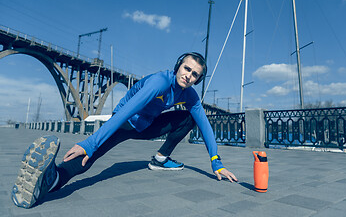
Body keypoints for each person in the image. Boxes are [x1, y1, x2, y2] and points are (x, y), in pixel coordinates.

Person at [11, 52, 238, 209]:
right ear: (178, 65)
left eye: (194, 74)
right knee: (91, 156)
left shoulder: (189, 95)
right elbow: (125, 112)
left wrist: (216, 161)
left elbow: (205, 125)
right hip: (126, 122)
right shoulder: (159, 82)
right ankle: (52, 179)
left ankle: (160, 159)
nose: (188, 75)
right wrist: (90, 143)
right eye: (186, 68)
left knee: (189, 118)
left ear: (197, 80)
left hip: (147, 125)